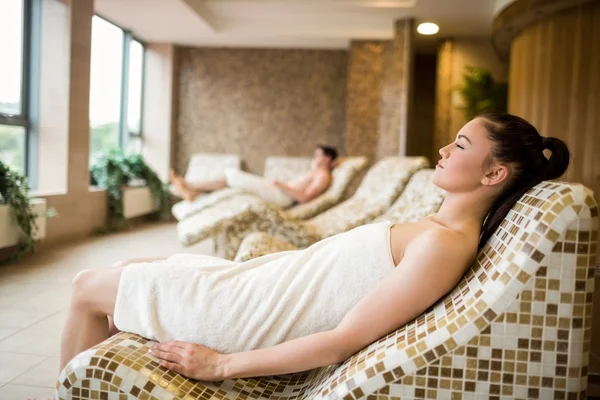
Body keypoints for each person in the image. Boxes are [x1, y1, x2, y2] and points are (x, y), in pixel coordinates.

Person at [57, 113, 569, 385]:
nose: (443, 149)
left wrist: (220, 366)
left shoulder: (443, 246)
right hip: (260, 283)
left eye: (460, 145)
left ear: (494, 173)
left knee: (87, 287)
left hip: (250, 314)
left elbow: (342, 340)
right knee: (124, 268)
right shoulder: (438, 229)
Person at [170, 145, 338, 208]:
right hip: (279, 191)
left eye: (318, 156)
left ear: (327, 158)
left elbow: (304, 198)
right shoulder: (316, 171)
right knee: (233, 181)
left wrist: (282, 185)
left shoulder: (323, 177)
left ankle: (190, 186)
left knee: (232, 175)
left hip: (283, 197)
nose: (315, 159)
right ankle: (194, 192)